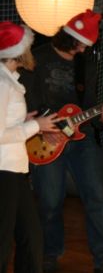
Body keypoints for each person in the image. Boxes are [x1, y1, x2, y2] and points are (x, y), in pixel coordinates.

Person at [21, 11, 103, 273]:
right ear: (69, 38)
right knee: (50, 201)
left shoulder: (86, 63)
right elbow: (27, 100)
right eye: (81, 44)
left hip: (81, 138)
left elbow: (88, 105)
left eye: (86, 46)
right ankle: (50, 253)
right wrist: (43, 127)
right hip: (43, 137)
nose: (83, 49)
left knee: (97, 196)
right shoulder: (38, 57)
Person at [0, 22, 59, 273]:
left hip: (14, 170)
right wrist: (36, 125)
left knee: (31, 236)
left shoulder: (9, 80)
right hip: (4, 170)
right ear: (18, 51)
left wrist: (24, 122)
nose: (31, 51)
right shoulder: (2, 84)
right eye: (28, 47)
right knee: (3, 240)